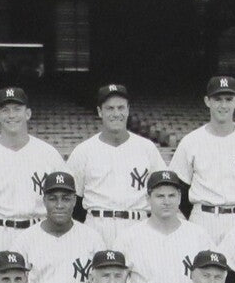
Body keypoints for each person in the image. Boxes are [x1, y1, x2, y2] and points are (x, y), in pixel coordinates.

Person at [164, 75, 235, 243]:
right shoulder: (191, 140)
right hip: (205, 218)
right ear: (207, 101)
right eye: (217, 99)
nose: (223, 105)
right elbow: (178, 188)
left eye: (228, 99)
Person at [0, 86, 64, 258]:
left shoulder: (48, 153)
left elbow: (63, 197)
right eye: (5, 110)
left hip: (37, 229)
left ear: (28, 113)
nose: (11, 115)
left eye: (17, 109)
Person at [66, 83, 166, 245]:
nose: (116, 113)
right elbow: (72, 198)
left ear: (128, 110)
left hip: (137, 223)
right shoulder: (84, 150)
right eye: (110, 108)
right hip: (97, 225)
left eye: (121, 108)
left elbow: (162, 190)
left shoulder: (147, 148)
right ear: (100, 111)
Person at [118, 169, 210, 283]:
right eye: (160, 196)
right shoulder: (129, 237)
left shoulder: (199, 235)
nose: (166, 201)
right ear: (148, 198)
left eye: (171, 195)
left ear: (179, 197)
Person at [15, 170, 103, 283]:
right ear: (44, 201)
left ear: (75, 200)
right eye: (53, 199)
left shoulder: (92, 238)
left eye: (66, 199)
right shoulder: (25, 239)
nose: (59, 205)